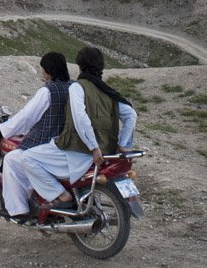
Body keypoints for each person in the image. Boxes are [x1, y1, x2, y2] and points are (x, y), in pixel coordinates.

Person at [9, 46, 137, 223]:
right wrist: (124, 144)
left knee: (26, 158)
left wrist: (93, 147)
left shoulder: (78, 88)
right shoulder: (107, 91)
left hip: (77, 152)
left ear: (79, 65)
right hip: (105, 151)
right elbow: (131, 114)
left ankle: (61, 196)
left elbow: (80, 119)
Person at [0, 52, 74, 221]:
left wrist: (3, 128)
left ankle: (19, 210)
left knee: (11, 159)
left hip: (45, 144)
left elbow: (27, 116)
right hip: (68, 144)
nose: (42, 73)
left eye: (43, 69)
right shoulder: (73, 87)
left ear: (48, 71)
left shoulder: (47, 91)